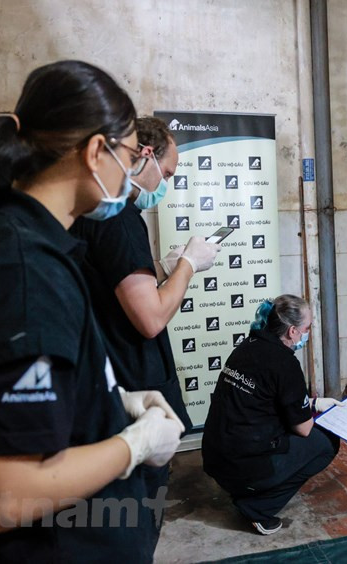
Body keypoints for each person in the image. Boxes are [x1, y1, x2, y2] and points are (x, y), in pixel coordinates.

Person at [0, 60, 185, 563]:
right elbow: (6, 497)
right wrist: (137, 443)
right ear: (96, 151)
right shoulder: (21, 269)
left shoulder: (15, 240)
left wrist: (108, 401)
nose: (131, 174)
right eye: (130, 156)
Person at [70, 116, 219, 539]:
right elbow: (151, 318)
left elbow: (118, 286)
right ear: (145, 154)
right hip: (133, 378)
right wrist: (188, 266)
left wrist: (162, 270)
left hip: (111, 376)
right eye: (167, 174)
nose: (165, 184)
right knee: (140, 510)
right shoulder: (118, 218)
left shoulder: (91, 213)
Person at [202, 295, 344, 535]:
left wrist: (315, 403)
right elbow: (303, 429)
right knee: (326, 442)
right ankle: (258, 506)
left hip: (216, 459)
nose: (308, 334)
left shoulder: (247, 347)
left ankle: (248, 487)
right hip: (242, 466)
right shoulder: (285, 363)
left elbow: (267, 400)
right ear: (292, 331)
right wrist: (319, 414)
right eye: (307, 329)